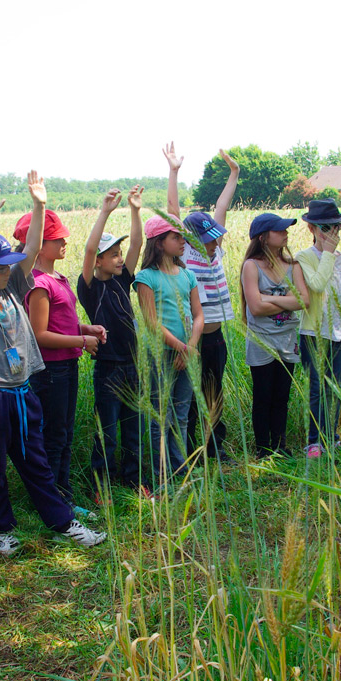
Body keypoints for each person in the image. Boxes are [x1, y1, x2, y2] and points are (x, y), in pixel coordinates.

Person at [0, 174, 108, 556]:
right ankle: (0, 529)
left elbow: (33, 249)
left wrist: (40, 206)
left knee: (36, 463)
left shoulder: (13, 288)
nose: (7, 271)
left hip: (23, 394)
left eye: (9, 265)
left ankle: (61, 522)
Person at [16, 205, 107, 516]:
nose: (65, 243)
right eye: (58, 239)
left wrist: (84, 328)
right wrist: (82, 341)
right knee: (53, 437)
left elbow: (61, 325)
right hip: (51, 370)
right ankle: (53, 503)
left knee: (64, 434)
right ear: (39, 245)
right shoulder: (38, 283)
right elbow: (39, 335)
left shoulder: (58, 277)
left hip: (67, 366)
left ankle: (62, 497)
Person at [164, 142, 239, 462]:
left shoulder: (216, 247)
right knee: (192, 397)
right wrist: (174, 171)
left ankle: (214, 448)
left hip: (216, 338)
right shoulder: (188, 254)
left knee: (214, 394)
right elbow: (171, 212)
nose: (213, 242)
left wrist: (233, 174)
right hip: (192, 339)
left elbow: (221, 207)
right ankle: (192, 448)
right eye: (206, 239)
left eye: (214, 237)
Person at [77, 185, 145, 492]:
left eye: (119, 254)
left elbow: (137, 246)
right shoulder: (90, 287)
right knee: (108, 431)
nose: (119, 259)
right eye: (113, 255)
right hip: (109, 368)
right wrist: (105, 212)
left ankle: (134, 480)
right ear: (99, 261)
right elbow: (89, 251)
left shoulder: (122, 280)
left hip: (133, 364)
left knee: (134, 427)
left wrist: (134, 210)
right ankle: (102, 486)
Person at [134, 215, 204, 481]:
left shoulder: (188, 274)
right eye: (176, 237)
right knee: (160, 418)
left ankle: (181, 471)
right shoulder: (146, 278)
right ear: (159, 243)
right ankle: (161, 477)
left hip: (188, 352)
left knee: (182, 414)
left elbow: (199, 315)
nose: (182, 241)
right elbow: (152, 322)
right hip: (161, 354)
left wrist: (191, 347)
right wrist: (180, 347)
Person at [295, 198, 341, 458]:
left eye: (335, 228)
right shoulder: (304, 258)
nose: (331, 234)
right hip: (313, 334)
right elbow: (318, 285)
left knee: (335, 388)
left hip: (339, 334)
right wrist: (329, 255)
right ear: (311, 229)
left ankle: (331, 438)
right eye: (325, 228)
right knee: (316, 388)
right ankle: (314, 442)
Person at [241, 212, 309, 457]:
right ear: (262, 238)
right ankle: (263, 449)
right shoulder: (252, 266)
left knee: (282, 396)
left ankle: (280, 446)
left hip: (288, 340)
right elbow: (255, 308)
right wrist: (286, 301)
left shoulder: (293, 266)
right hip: (262, 341)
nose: (285, 234)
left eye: (286, 230)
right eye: (279, 230)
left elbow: (304, 300)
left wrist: (268, 297)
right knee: (263, 396)